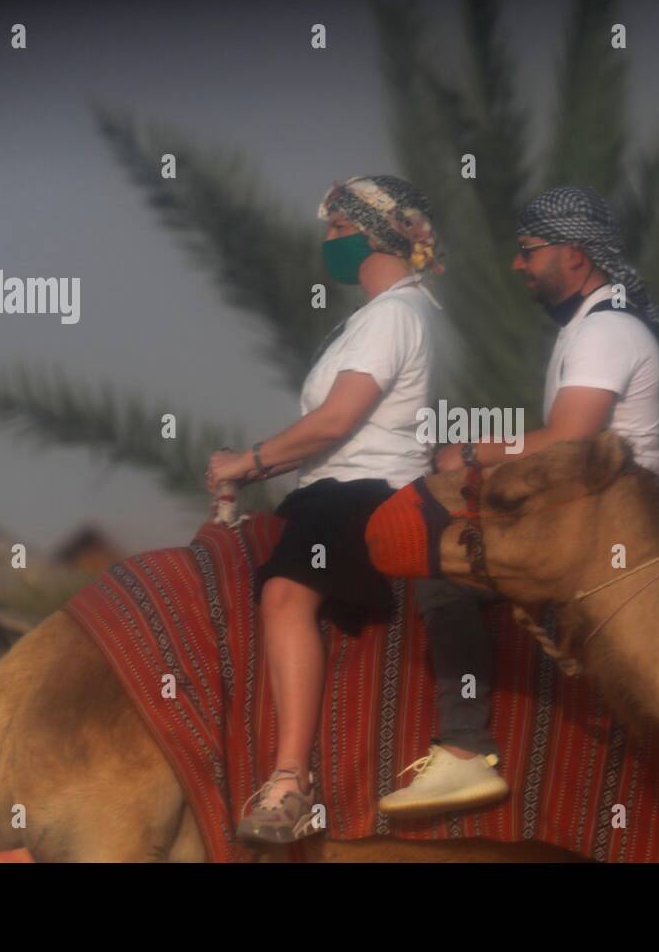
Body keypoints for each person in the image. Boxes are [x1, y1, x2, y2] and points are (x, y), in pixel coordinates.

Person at [378, 186, 659, 819]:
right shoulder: (595, 328)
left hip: (608, 533)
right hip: (598, 518)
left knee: (443, 568)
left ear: (573, 255)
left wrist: (474, 453)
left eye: (528, 252)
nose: (518, 266)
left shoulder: (606, 331)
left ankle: (462, 751)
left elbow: (570, 439)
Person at [205, 174, 443, 843]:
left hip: (363, 489)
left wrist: (244, 463)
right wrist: (261, 467)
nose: (329, 244)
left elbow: (336, 422)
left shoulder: (395, 313)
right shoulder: (380, 316)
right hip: (331, 485)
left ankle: (290, 781)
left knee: (284, 595)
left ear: (375, 235)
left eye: (338, 232)